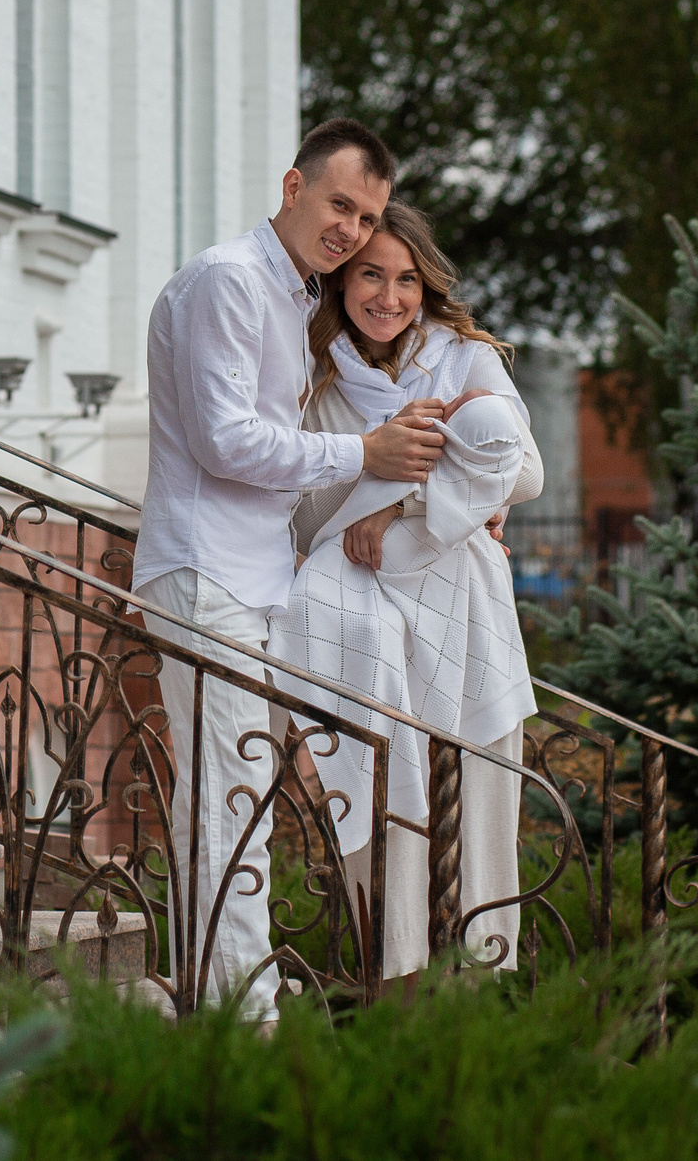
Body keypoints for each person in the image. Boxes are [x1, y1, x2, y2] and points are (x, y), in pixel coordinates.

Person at [131, 120, 446, 1017]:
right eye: (341, 204)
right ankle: (249, 1016)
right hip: (205, 574)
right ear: (293, 186)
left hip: (254, 579)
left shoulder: (293, 296)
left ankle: (213, 998)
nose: (352, 228)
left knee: (228, 800)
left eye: (368, 215)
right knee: (233, 802)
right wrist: (363, 455)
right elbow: (226, 442)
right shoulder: (229, 280)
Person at [270, 200, 542, 983]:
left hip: (454, 584)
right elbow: (307, 494)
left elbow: (525, 470)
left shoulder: (460, 356)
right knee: (384, 776)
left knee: (472, 781)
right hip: (356, 590)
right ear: (339, 280)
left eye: (406, 280)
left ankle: (480, 971)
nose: (387, 296)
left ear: (427, 287)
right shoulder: (314, 369)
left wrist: (406, 501)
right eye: (369, 276)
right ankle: (394, 970)